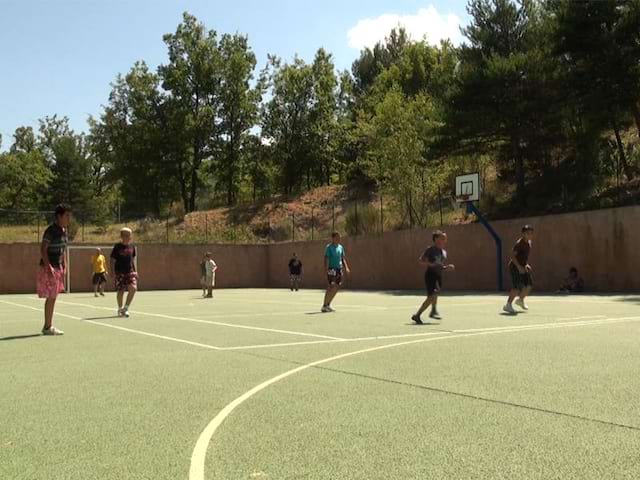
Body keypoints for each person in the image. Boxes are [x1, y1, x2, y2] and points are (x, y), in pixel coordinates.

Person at [37, 204, 72, 336]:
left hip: (58, 267)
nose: (69, 219)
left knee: (53, 297)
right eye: (67, 216)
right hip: (49, 267)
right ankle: (48, 326)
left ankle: (48, 325)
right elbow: (43, 249)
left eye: (70, 216)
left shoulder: (64, 231)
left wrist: (65, 265)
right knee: (51, 297)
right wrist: (49, 266)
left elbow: (62, 250)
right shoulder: (51, 230)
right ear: (59, 216)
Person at [412, 231, 455, 324]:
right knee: (433, 295)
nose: (444, 240)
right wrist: (430, 264)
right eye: (442, 238)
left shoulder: (444, 253)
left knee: (433, 295)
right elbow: (420, 261)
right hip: (430, 275)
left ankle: (428, 312)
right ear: (436, 239)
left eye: (445, 238)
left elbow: (440, 266)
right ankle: (422, 313)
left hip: (438, 276)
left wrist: (446, 267)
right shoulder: (430, 249)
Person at [504, 225, 535, 314]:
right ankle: (508, 305)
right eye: (528, 233)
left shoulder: (529, 242)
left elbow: (523, 256)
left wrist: (526, 264)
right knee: (517, 287)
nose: (530, 235)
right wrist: (519, 267)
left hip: (523, 266)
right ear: (523, 234)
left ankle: (520, 300)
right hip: (514, 267)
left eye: (531, 233)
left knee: (529, 285)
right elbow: (512, 256)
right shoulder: (519, 244)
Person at [110, 228, 137, 317]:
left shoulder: (132, 247)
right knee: (121, 291)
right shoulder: (117, 247)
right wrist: (112, 272)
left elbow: (132, 260)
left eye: (130, 235)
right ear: (122, 236)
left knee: (133, 288)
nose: (129, 237)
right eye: (127, 235)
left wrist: (135, 271)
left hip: (130, 272)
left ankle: (125, 308)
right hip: (120, 272)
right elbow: (112, 260)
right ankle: (120, 308)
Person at [321, 232, 351, 313]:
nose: (339, 239)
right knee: (331, 286)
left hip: (339, 269)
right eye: (337, 237)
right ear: (333, 238)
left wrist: (346, 267)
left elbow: (342, 259)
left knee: (337, 287)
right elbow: (326, 258)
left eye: (339, 237)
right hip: (331, 269)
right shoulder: (329, 247)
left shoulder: (341, 247)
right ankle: (324, 305)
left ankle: (328, 304)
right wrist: (326, 269)